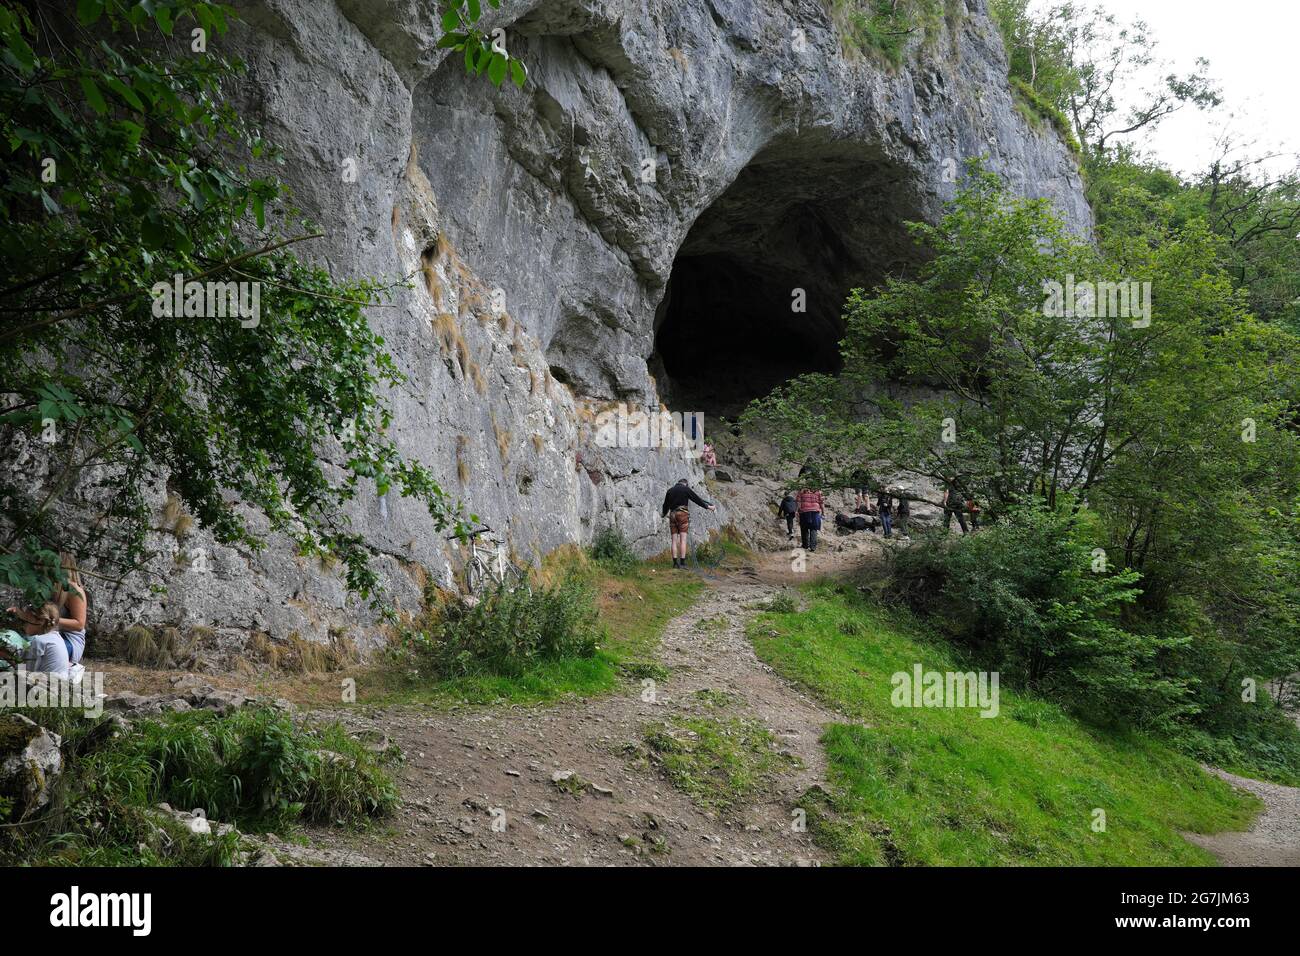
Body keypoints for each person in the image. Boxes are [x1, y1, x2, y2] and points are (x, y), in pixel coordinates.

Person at [7, 552, 88, 665]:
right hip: (43, 634)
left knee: (35, 650)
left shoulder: (73, 591)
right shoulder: (44, 586)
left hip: (68, 640)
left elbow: (79, 624)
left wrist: (49, 620)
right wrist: (22, 614)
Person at [0, 604, 69, 676]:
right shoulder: (56, 636)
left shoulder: (39, 641)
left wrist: (7, 657)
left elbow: (25, 672)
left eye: (25, 622)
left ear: (39, 622)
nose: (23, 626)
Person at [662, 478, 715, 569]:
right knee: (683, 539)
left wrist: (663, 514)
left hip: (672, 515)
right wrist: (709, 507)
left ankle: (675, 564)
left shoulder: (670, 490)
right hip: (682, 514)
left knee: (674, 540)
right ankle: (682, 563)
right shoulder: (686, 489)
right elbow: (697, 500)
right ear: (686, 484)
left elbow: (665, 505)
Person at [796, 483, 825, 553]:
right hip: (815, 512)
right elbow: (822, 503)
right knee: (814, 529)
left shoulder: (801, 491)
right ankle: (813, 547)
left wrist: (797, 511)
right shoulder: (819, 492)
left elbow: (798, 502)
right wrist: (823, 512)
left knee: (804, 529)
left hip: (804, 512)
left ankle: (805, 545)